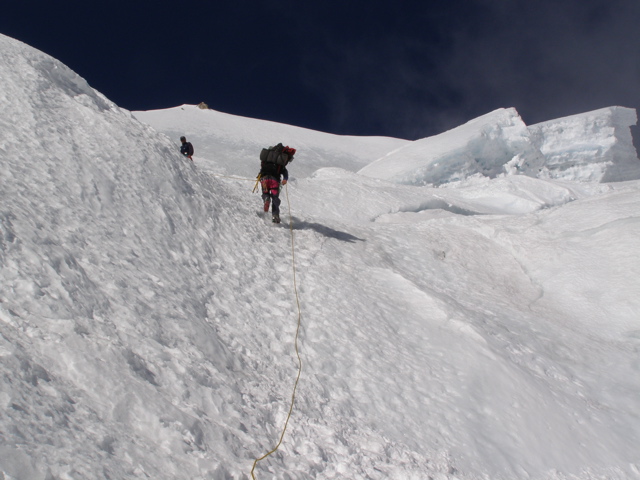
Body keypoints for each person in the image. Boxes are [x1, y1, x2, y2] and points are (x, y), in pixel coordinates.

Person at [259, 149, 289, 224]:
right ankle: (275, 216)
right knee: (275, 198)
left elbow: (261, 171)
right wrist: (285, 179)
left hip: (264, 180)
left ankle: (266, 198)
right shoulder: (279, 164)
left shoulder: (265, 161)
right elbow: (285, 172)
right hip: (274, 181)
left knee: (265, 193)